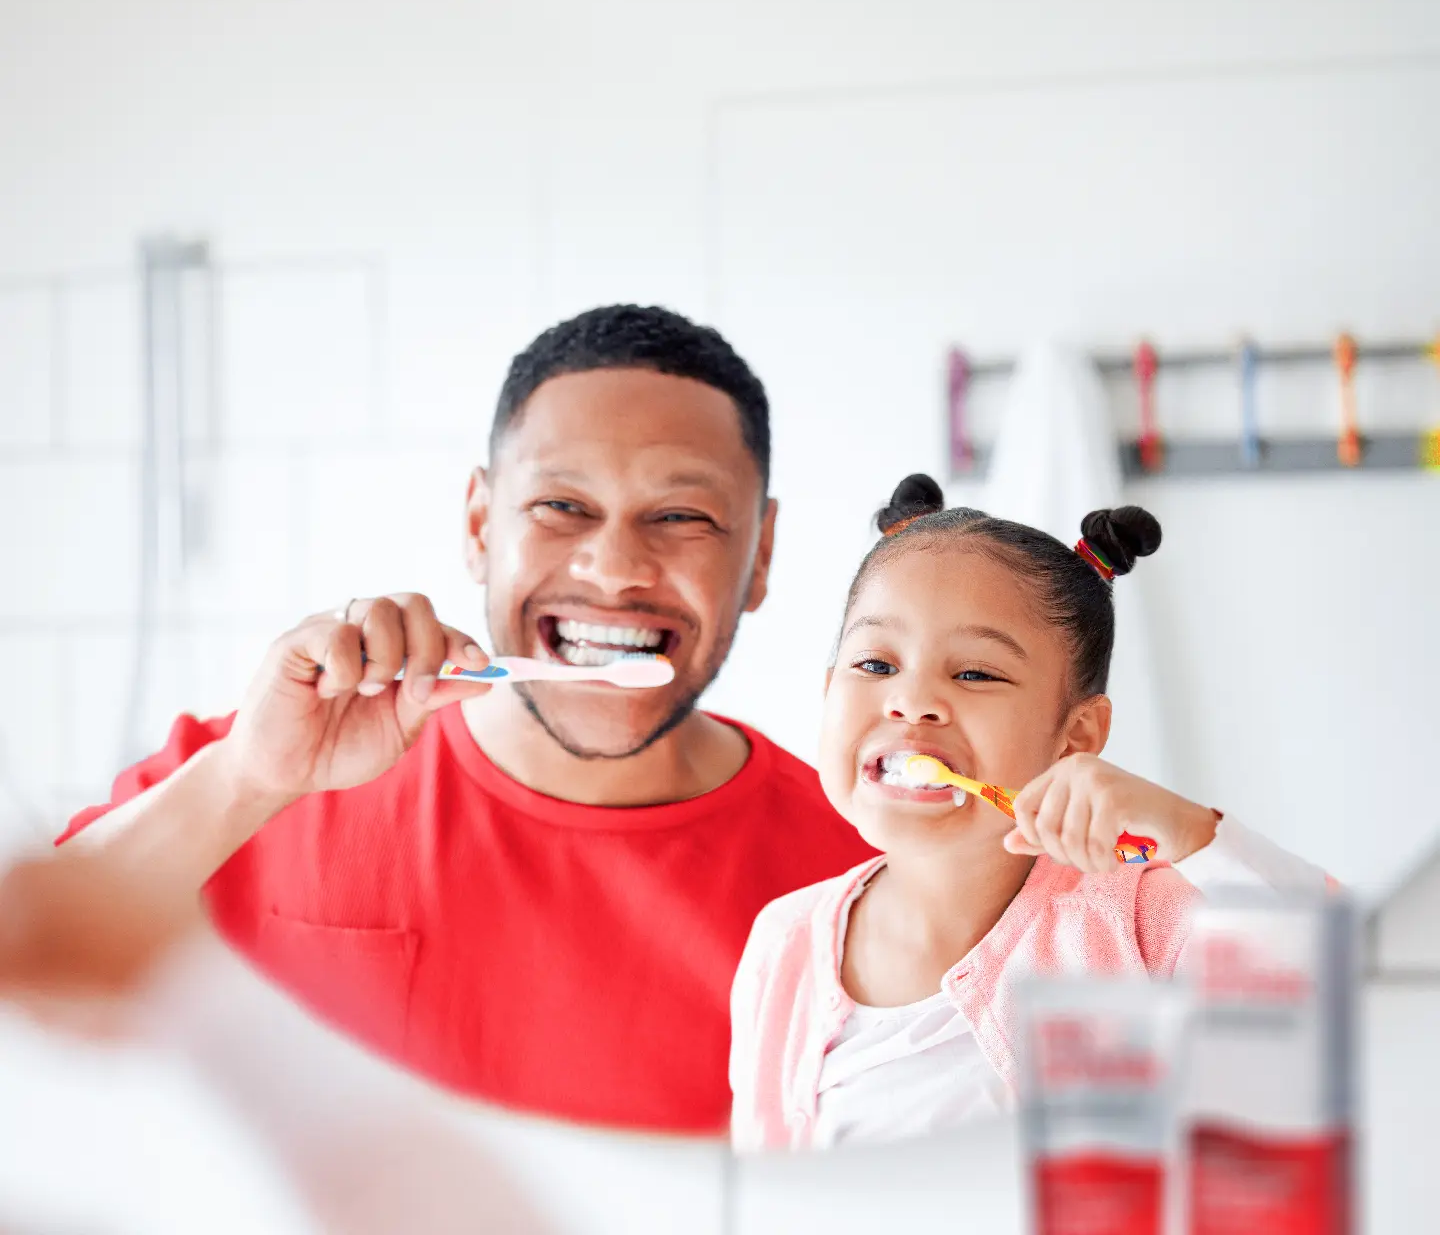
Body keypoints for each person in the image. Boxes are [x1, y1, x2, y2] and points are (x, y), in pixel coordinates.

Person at [60, 305, 873, 1136]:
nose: (616, 570)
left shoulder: (862, 872)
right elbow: (29, 981)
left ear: (761, 554)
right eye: (562, 505)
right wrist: (246, 782)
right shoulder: (256, 769)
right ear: (482, 525)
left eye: (681, 517)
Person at [729, 474, 1329, 1151]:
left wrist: (1190, 834)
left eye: (975, 674)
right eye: (874, 664)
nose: (912, 700)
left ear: (1076, 738)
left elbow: (1348, 983)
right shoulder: (784, 942)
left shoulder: (1140, 920)